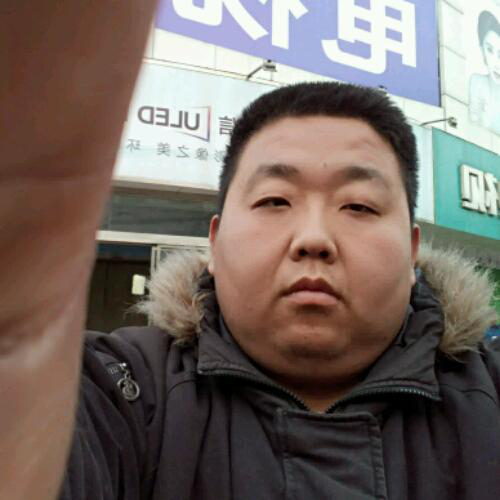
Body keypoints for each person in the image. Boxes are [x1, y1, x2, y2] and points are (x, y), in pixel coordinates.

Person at [1, 3, 499, 500]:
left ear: (412, 252)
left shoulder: (489, 400)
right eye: (275, 201)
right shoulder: (119, 391)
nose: (313, 238)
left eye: (358, 206)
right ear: (214, 244)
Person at [469, 10, 500, 134]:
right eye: (489, 50)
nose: (496, 63)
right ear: (482, 51)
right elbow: (472, 126)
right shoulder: (477, 82)